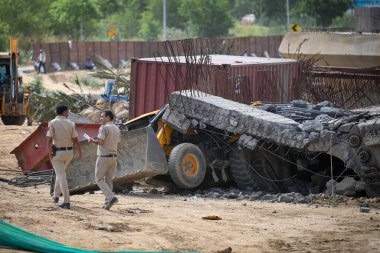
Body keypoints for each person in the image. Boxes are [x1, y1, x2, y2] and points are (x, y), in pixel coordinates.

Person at [47, 105, 82, 209]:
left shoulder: (52, 123)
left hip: (58, 153)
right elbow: (75, 140)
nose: (68, 113)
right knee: (60, 173)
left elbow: (49, 140)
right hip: (69, 153)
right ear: (64, 112)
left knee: (61, 175)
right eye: (67, 111)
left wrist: (49, 153)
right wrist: (80, 151)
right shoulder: (71, 123)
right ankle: (56, 196)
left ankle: (66, 201)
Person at [88, 110, 120, 210]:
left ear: (108, 117)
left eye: (102, 116)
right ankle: (108, 203)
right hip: (113, 157)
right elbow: (119, 144)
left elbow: (101, 141)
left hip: (104, 157)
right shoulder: (116, 128)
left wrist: (92, 140)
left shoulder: (104, 127)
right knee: (109, 180)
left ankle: (111, 197)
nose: (100, 118)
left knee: (98, 179)